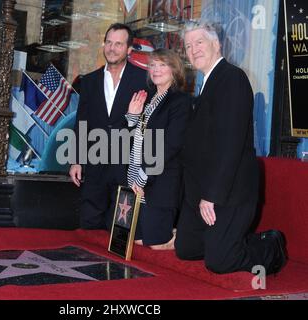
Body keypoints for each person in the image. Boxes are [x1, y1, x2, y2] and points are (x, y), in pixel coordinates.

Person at [175, 21, 287, 274]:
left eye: (199, 42)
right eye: (188, 46)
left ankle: (269, 245)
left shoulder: (232, 78)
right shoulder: (206, 83)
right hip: (203, 190)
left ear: (216, 44)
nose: (193, 50)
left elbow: (230, 144)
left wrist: (211, 196)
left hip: (230, 190)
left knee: (219, 262)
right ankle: (227, 239)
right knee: (187, 249)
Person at [69, 23, 147, 230]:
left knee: (121, 224)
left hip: (128, 164)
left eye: (119, 44)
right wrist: (76, 160)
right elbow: (81, 121)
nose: (112, 48)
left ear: (129, 49)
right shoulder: (89, 81)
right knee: (89, 220)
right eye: (109, 43)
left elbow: (149, 125)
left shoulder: (143, 80)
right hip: (95, 161)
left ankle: (115, 264)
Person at [126, 49, 190, 250]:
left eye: (162, 65)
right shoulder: (150, 99)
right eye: (153, 65)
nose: (156, 69)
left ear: (174, 70)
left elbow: (171, 145)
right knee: (137, 240)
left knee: (154, 244)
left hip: (161, 181)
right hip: (137, 176)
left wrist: (145, 176)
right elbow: (134, 139)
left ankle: (189, 236)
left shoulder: (180, 101)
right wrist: (131, 117)